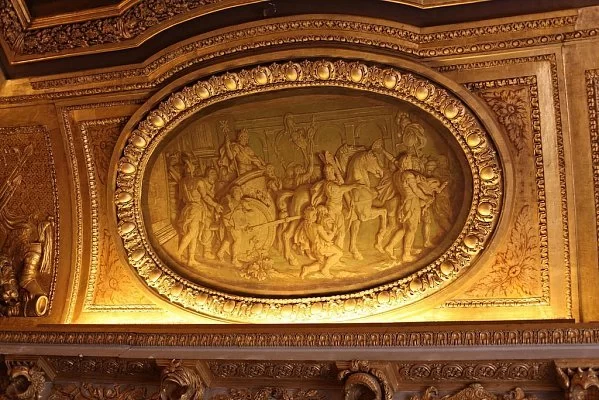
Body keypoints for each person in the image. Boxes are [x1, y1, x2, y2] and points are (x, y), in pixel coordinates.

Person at [296, 206, 343, 278]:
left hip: (314, 248)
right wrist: (333, 232)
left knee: (322, 263)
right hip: (321, 247)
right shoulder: (318, 227)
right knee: (339, 253)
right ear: (310, 217)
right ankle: (325, 270)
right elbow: (328, 239)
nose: (316, 216)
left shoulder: (305, 225)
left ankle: (307, 269)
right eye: (314, 215)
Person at [216, 185, 251, 267]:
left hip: (235, 224)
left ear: (240, 193)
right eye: (235, 192)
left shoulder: (241, 203)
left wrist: (246, 212)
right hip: (232, 225)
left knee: (228, 239)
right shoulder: (229, 202)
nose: (236, 194)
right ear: (232, 194)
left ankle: (220, 253)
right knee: (238, 240)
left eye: (238, 192)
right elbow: (225, 213)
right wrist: (227, 223)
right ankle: (234, 260)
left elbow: (250, 213)